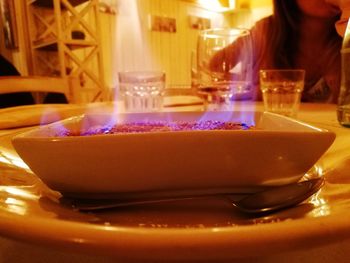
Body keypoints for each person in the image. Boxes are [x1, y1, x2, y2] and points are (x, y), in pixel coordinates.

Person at [209, 0, 350, 103]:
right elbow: (214, 66)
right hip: (270, 131)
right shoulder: (265, 31)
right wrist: (248, 89)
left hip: (333, 136)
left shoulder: (345, 35)